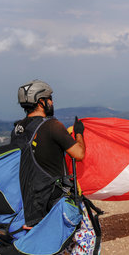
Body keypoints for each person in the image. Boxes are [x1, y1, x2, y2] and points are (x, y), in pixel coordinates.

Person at [14, 79, 86, 222]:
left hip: (29, 203)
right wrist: (79, 133)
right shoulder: (52, 125)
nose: (52, 102)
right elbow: (79, 154)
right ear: (41, 102)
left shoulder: (17, 129)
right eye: (49, 99)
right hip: (53, 200)